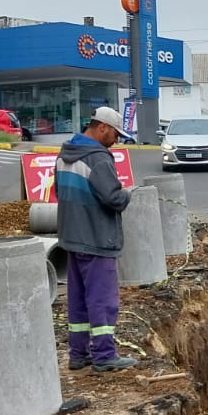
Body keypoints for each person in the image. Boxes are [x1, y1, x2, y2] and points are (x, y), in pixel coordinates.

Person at [56, 106, 136, 372]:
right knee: (102, 301)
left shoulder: (65, 154)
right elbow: (113, 198)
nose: (116, 140)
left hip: (71, 238)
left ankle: (78, 355)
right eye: (115, 134)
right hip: (97, 239)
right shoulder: (98, 158)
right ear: (102, 127)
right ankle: (104, 356)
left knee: (78, 300)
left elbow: (59, 192)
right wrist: (127, 194)